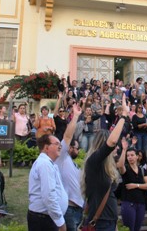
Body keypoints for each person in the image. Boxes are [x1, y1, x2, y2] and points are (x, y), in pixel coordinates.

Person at [82, 93, 129, 231]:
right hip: (100, 222)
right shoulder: (94, 161)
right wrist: (124, 116)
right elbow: (113, 141)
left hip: (109, 221)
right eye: (113, 148)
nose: (116, 148)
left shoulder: (107, 166)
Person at [28, 134, 68, 231]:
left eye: (60, 145)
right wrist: (60, 222)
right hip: (44, 220)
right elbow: (49, 195)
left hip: (46, 218)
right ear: (46, 147)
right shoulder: (45, 164)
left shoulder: (48, 163)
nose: (60, 147)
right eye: (57, 144)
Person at [55, 103, 83, 231]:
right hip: (68, 209)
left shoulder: (74, 164)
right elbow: (67, 136)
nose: (78, 151)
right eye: (77, 148)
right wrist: (75, 116)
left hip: (79, 209)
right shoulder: (62, 157)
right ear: (70, 148)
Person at [117, 140, 147, 231]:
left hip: (141, 202)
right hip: (128, 202)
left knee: (137, 228)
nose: (130, 157)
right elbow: (120, 165)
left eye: (132, 155)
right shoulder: (126, 169)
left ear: (137, 157)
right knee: (129, 228)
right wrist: (124, 150)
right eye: (128, 156)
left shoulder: (142, 170)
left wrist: (136, 185)